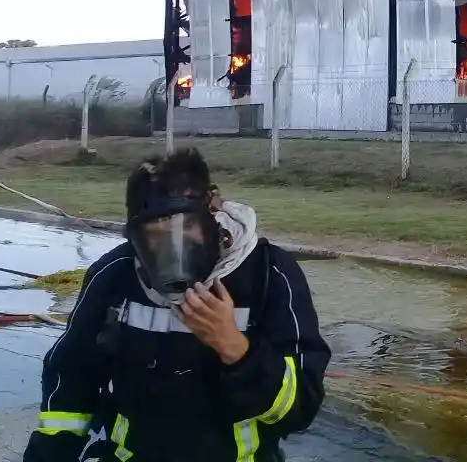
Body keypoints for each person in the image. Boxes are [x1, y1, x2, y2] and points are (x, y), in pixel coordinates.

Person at [22, 148, 331, 462]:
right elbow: (73, 378)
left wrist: (237, 349)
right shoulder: (115, 275)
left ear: (212, 212)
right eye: (155, 237)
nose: (172, 253)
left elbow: (300, 408)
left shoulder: (268, 274)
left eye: (185, 229)